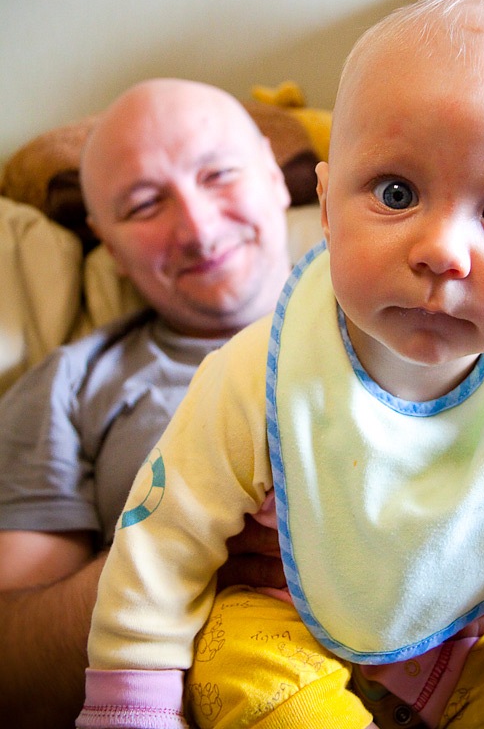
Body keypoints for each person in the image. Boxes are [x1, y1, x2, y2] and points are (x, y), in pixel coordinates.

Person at [76, 0, 484, 729]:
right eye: (396, 192)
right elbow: (163, 540)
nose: (442, 250)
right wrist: (127, 707)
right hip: (276, 625)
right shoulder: (258, 373)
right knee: (245, 667)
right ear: (323, 204)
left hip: (459, 644)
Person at [0, 78, 293, 729]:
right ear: (109, 246)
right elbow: (10, 677)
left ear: (275, 177)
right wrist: (172, 553)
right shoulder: (68, 386)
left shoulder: (421, 308)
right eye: (143, 205)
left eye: (218, 174)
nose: (198, 227)